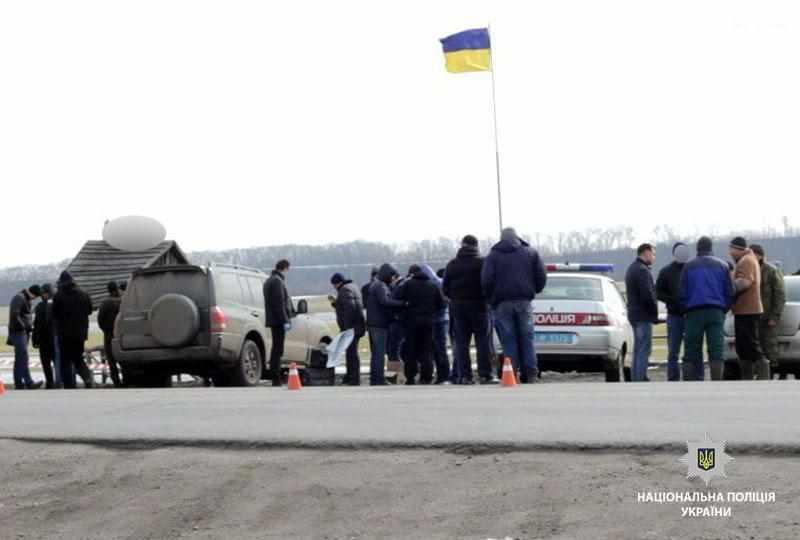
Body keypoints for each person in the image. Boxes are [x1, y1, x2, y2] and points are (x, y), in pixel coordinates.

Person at [481, 227, 547, 383]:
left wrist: (492, 298)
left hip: (502, 303)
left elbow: (486, 280)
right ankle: (530, 373)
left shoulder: (493, 255)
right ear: (517, 236)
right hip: (524, 301)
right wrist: (533, 290)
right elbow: (541, 275)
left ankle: (511, 372)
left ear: (501, 238)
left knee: (508, 339)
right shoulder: (530, 252)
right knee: (527, 337)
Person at [679, 237, 735, 381]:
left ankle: (689, 382)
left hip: (693, 312)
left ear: (697, 248)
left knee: (691, 349)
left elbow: (682, 292)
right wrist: (723, 309)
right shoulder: (723, 266)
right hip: (716, 311)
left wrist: (686, 308)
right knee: (716, 348)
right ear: (711, 248)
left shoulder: (688, 266)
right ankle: (716, 381)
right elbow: (730, 292)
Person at [443, 235, 496, 384]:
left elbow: (445, 288)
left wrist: (455, 298)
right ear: (476, 246)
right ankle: (485, 374)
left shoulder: (452, 264)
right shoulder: (482, 263)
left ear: (462, 245)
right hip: (479, 306)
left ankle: (465, 376)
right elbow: (488, 282)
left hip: (458, 308)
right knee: (482, 342)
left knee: (461, 343)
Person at [394, 265, 446, 385]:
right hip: (428, 322)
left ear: (411, 273)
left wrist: (405, 307)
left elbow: (397, 298)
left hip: (411, 322)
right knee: (426, 349)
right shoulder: (432, 285)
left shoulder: (407, 285)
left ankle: (411, 377)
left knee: (410, 349)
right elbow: (441, 304)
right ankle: (426, 376)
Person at [728, 237, 768, 380]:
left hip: (748, 310)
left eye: (731, 249)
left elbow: (745, 281)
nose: (729, 253)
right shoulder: (748, 259)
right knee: (743, 347)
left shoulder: (746, 261)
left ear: (737, 249)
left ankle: (762, 375)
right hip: (745, 310)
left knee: (751, 345)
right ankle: (748, 377)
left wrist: (728, 288)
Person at [52, 271, 94, 389]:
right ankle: (87, 378)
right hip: (80, 334)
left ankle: (69, 385)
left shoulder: (58, 296)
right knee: (78, 358)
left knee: (65, 360)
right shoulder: (84, 294)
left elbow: (54, 315)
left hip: (64, 334)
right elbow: (90, 310)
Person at [655, 242, 691, 381]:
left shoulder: (691, 269)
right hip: (674, 316)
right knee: (673, 352)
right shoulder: (665, 271)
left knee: (690, 349)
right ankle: (673, 378)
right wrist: (672, 300)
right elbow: (658, 292)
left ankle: (690, 377)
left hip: (690, 316)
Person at [751, 245, 786, 379]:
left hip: (767, 316)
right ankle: (759, 374)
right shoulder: (751, 269)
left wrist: (774, 316)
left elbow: (779, 295)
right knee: (755, 346)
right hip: (753, 315)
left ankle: (771, 374)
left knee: (769, 346)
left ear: (759, 255)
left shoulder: (771, 271)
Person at [624, 244, 658, 382]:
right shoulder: (643, 271)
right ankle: (640, 379)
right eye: (653, 254)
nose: (654, 258)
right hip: (643, 316)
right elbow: (648, 295)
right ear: (646, 252)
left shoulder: (631, 269)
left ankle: (635, 378)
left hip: (634, 315)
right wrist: (654, 314)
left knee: (638, 350)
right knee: (644, 350)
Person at [367, 263, 405, 385]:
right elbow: (385, 301)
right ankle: (378, 378)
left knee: (376, 354)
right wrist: (402, 303)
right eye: (392, 276)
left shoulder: (376, 285)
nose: (393, 279)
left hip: (375, 323)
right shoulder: (380, 286)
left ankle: (375, 378)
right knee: (379, 354)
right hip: (379, 324)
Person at [330, 273, 366, 386]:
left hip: (351, 328)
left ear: (337, 283)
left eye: (334, 285)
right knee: (351, 352)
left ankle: (354, 379)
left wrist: (347, 328)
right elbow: (350, 305)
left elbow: (350, 308)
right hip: (357, 326)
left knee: (352, 353)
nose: (334, 287)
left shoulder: (344, 290)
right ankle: (350, 376)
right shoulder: (352, 287)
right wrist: (336, 303)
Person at [263, 259, 293, 387]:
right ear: (285, 268)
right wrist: (285, 320)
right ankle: (276, 378)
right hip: (278, 321)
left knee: (276, 348)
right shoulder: (277, 281)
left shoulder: (269, 280)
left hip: (274, 319)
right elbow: (279, 303)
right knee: (277, 350)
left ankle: (275, 377)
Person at [7, 285, 43, 390]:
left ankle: (19, 383)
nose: (35, 298)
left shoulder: (25, 298)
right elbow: (15, 314)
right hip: (18, 333)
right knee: (23, 358)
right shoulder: (19, 298)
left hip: (22, 333)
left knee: (20, 359)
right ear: (32, 293)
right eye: (36, 296)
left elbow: (24, 315)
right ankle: (28, 382)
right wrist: (23, 327)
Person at [421, 264, 450, 384]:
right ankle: (444, 375)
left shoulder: (430, 285)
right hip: (444, 318)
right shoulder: (441, 282)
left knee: (435, 348)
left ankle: (442, 375)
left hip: (436, 319)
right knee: (441, 348)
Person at [32, 283, 59, 388]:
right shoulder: (57, 304)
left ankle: (50, 382)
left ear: (47, 294)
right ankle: (58, 381)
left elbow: (37, 324)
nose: (42, 295)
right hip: (55, 338)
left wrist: (35, 339)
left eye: (43, 293)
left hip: (44, 339)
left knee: (45, 362)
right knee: (56, 361)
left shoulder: (40, 306)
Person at [97, 281, 123, 387]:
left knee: (111, 360)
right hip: (122, 333)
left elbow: (100, 319)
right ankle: (126, 377)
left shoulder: (105, 303)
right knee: (123, 358)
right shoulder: (123, 301)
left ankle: (116, 381)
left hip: (109, 333)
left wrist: (105, 329)